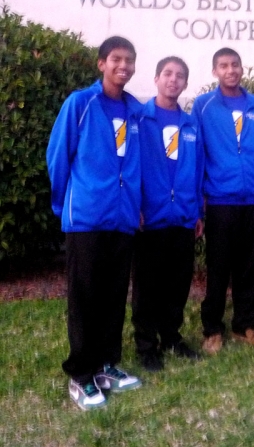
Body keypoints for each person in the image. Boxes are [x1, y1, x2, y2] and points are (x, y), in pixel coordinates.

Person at [47, 36, 143, 411]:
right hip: (87, 216)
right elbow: (58, 156)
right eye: (116, 59)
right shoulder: (81, 104)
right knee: (85, 296)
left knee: (114, 294)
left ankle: (106, 365)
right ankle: (81, 375)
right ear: (101, 63)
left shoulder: (135, 111)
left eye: (130, 60)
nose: (124, 66)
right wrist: (65, 202)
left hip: (121, 218)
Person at [193, 47, 254, 354]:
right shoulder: (204, 106)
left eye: (235, 65)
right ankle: (212, 329)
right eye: (224, 66)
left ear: (242, 68)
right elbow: (198, 152)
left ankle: (245, 325)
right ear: (215, 71)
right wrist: (199, 193)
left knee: (250, 266)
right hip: (220, 199)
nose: (230, 70)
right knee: (218, 267)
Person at [132, 56, 203, 372]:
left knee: (178, 283)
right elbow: (131, 167)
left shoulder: (190, 125)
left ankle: (172, 337)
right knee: (148, 286)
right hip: (152, 217)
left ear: (185, 83)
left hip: (184, 217)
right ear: (157, 78)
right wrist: (135, 206)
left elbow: (197, 170)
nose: (173, 80)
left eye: (180, 76)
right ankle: (146, 346)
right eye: (168, 74)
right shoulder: (140, 120)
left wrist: (197, 210)